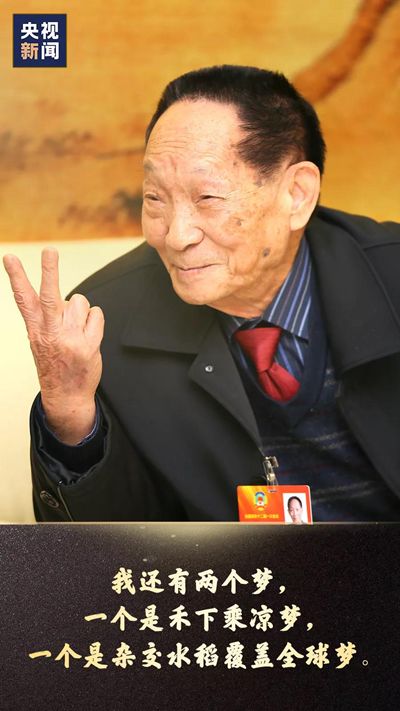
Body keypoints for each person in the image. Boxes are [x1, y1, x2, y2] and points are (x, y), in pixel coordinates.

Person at [3, 65, 400, 523]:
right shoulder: (103, 322)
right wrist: (71, 418)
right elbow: (105, 549)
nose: (176, 236)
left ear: (296, 194)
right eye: (155, 198)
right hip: (228, 571)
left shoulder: (390, 275)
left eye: (207, 198)